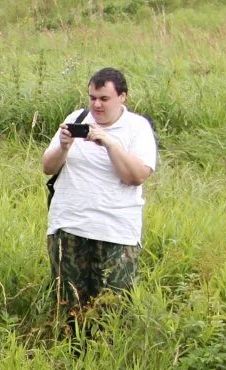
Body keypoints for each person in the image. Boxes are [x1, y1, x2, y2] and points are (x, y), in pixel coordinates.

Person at [41, 67, 157, 317]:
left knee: (112, 310)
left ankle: (107, 355)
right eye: (92, 97)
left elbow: (135, 176)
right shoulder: (78, 117)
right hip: (70, 226)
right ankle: (69, 353)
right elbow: (48, 167)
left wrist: (109, 144)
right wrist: (63, 146)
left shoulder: (137, 128)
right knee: (68, 308)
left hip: (116, 232)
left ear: (122, 97)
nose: (97, 105)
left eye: (104, 98)